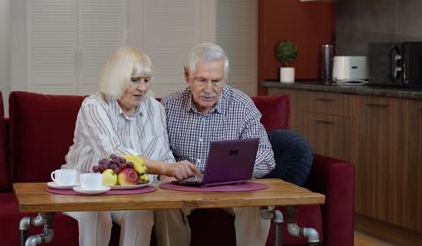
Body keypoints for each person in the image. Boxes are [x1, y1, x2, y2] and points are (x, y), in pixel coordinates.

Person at [61, 46, 201, 246]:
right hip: (87, 190)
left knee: (141, 212)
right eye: (135, 80)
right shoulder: (94, 106)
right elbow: (114, 154)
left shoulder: (155, 108)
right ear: (116, 79)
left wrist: (176, 175)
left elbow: (163, 155)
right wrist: (165, 167)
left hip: (130, 192)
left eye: (146, 80)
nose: (143, 88)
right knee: (97, 217)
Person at [155, 43, 276, 246]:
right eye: (201, 80)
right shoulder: (168, 106)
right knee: (163, 203)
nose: (209, 89)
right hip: (181, 187)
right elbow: (157, 153)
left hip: (230, 186)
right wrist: (165, 171)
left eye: (216, 81)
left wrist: (232, 169)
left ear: (225, 79)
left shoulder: (242, 105)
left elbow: (265, 156)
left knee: (260, 203)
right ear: (187, 76)